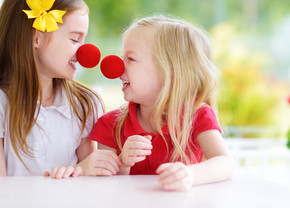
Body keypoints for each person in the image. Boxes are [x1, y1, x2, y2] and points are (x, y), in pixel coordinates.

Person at [0, 0, 120, 178]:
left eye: (84, 40)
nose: (85, 52)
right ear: (37, 37)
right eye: (74, 39)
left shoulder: (85, 103)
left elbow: (93, 179)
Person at [89, 15, 235, 191]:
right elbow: (103, 186)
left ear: (169, 72)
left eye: (131, 59)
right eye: (123, 57)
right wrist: (123, 162)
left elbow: (225, 162)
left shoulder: (198, 115)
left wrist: (189, 175)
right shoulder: (110, 124)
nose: (118, 66)